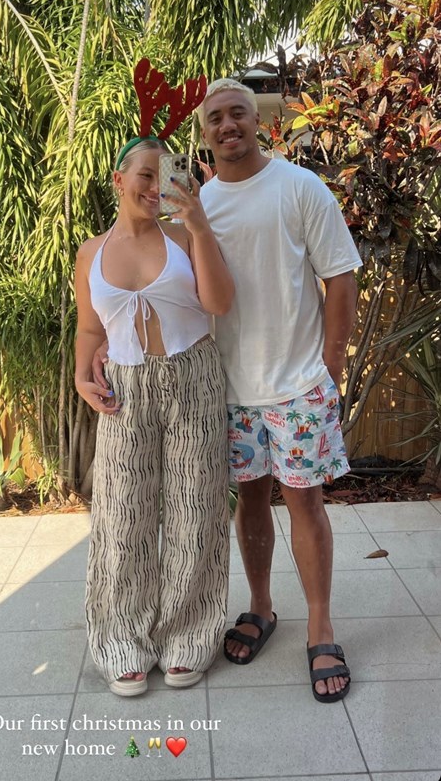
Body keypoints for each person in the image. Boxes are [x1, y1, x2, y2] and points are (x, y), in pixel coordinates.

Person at [93, 79, 361, 703]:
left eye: (238, 113)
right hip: (228, 389)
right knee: (251, 503)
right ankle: (261, 607)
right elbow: (156, 286)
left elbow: (341, 277)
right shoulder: (195, 205)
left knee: (306, 506)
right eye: (214, 118)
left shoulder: (300, 187)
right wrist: (107, 342)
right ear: (204, 133)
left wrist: (330, 363)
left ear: (256, 121)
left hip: (297, 383)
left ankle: (320, 629)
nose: (227, 125)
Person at [75, 136, 234, 696]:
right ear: (118, 180)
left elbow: (219, 304)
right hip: (125, 387)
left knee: (196, 508)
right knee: (122, 515)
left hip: (193, 378)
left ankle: (188, 635)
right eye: (144, 174)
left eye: (164, 173)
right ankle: (122, 639)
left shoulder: (184, 237)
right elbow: (90, 328)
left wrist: (199, 225)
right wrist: (81, 377)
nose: (153, 185)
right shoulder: (91, 253)